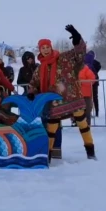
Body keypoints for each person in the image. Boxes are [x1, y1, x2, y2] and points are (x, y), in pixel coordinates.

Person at [27, 25, 95, 161]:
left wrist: (76, 37)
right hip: (54, 102)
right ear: (40, 50)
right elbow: (34, 83)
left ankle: (91, 152)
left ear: (51, 47)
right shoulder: (40, 68)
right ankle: (48, 156)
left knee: (82, 124)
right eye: (43, 48)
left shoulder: (63, 59)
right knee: (51, 129)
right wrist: (31, 92)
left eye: (47, 47)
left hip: (72, 98)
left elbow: (79, 52)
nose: (46, 50)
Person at [84, 50, 101, 117]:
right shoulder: (96, 63)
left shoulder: (86, 63)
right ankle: (95, 112)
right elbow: (98, 68)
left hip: (88, 82)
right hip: (92, 82)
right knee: (94, 97)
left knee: (90, 97)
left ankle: (91, 112)